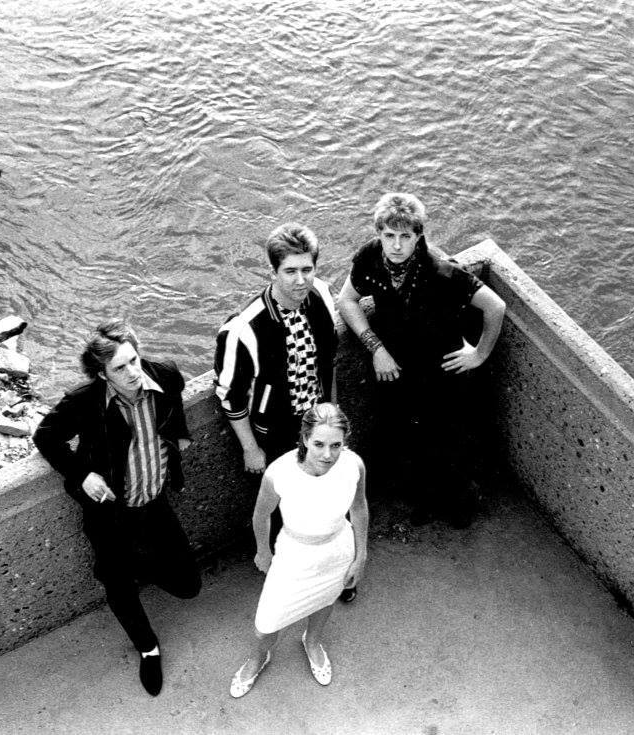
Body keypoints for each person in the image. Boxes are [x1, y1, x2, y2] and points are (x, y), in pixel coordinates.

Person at [33, 319, 201, 697]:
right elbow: (45, 436)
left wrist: (179, 438)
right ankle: (148, 647)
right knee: (117, 582)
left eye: (134, 360)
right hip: (110, 511)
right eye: (120, 368)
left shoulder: (165, 374)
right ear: (102, 374)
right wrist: (81, 475)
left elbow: (175, 401)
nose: (133, 372)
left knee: (188, 586)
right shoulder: (84, 401)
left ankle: (136, 563)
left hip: (154, 501)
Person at [336, 192, 506, 528]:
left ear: (418, 236)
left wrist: (479, 354)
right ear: (379, 234)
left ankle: (461, 504)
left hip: (441, 368)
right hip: (398, 364)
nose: (396, 245)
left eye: (405, 236)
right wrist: (376, 348)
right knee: (408, 436)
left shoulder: (441, 271)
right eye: (389, 235)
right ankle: (424, 500)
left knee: (447, 437)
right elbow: (347, 300)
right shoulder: (370, 257)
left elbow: (495, 306)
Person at [214, 222, 356, 601]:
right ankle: (289, 574)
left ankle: (335, 569)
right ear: (273, 271)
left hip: (318, 422)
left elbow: (329, 363)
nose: (300, 280)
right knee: (284, 510)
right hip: (275, 432)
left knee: (330, 496)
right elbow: (230, 397)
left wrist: (333, 413)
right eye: (290, 271)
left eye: (307, 269)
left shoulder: (321, 295)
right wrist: (250, 448)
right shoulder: (243, 329)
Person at [229, 403, 368, 698]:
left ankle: (312, 641)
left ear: (345, 441)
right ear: (305, 438)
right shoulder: (279, 472)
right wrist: (263, 552)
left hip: (337, 550)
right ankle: (259, 657)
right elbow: (261, 514)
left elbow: (359, 508)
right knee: (266, 623)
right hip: (294, 555)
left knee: (325, 599)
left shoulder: (354, 465)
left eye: (336, 445)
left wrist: (361, 555)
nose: (327, 454)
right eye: (319, 444)